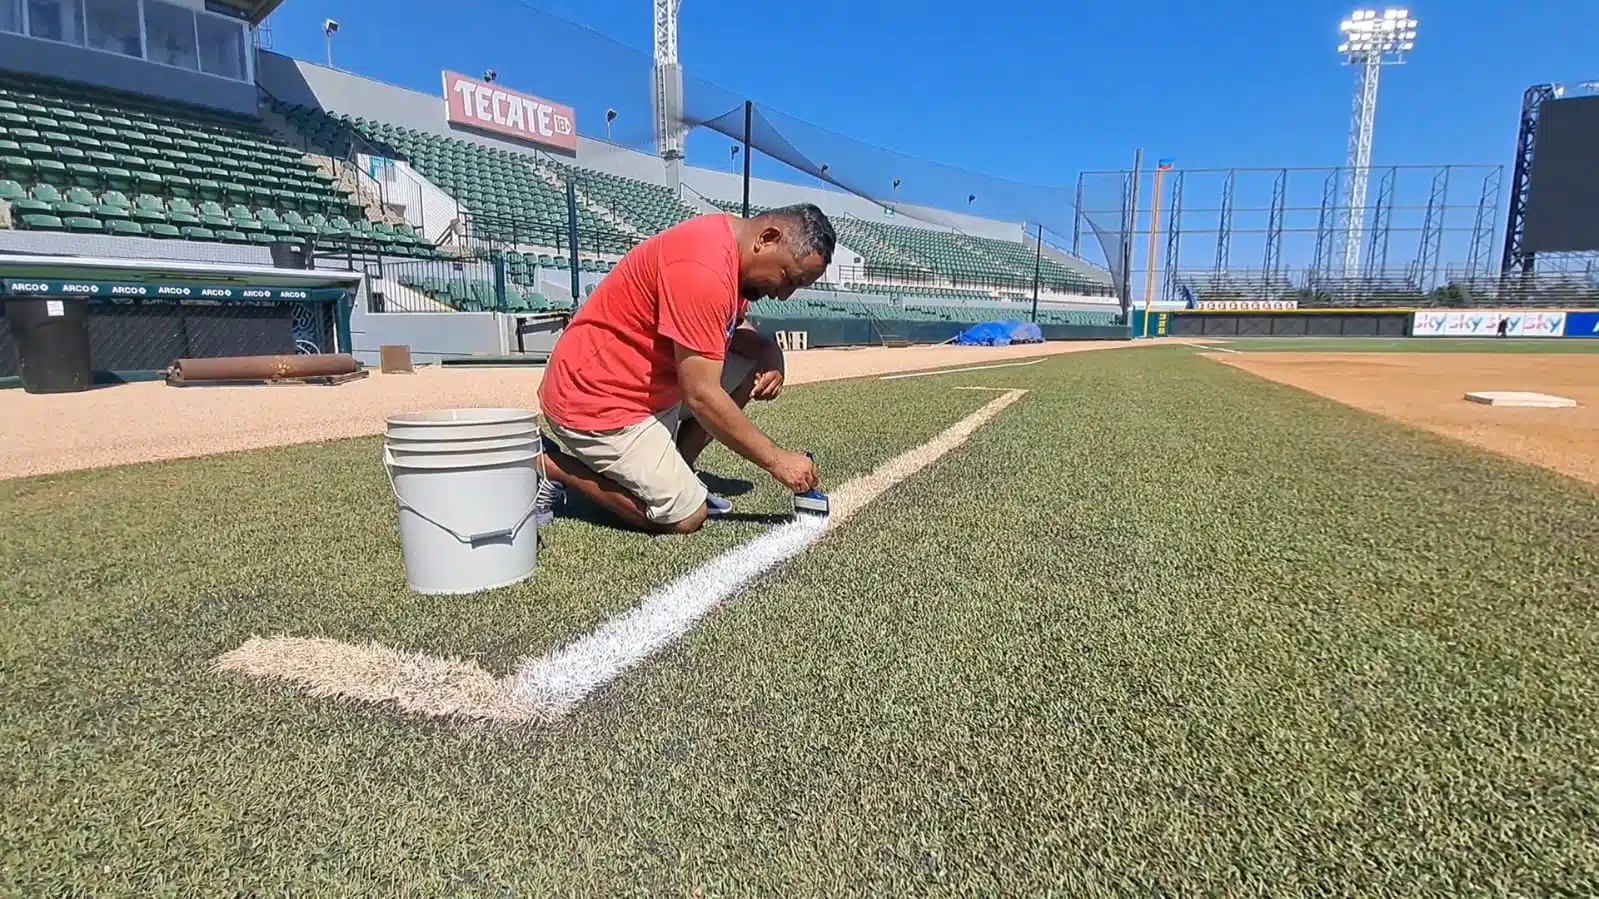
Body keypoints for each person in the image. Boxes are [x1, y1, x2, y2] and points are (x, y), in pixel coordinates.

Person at [532, 203, 836, 534]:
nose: (784, 295)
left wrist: (768, 350)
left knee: (751, 365)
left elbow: (731, 328)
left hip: (642, 389)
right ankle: (550, 465)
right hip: (595, 399)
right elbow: (701, 395)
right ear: (768, 238)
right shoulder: (704, 267)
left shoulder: (732, 253)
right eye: (789, 278)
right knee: (684, 515)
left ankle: (681, 467)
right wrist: (778, 460)